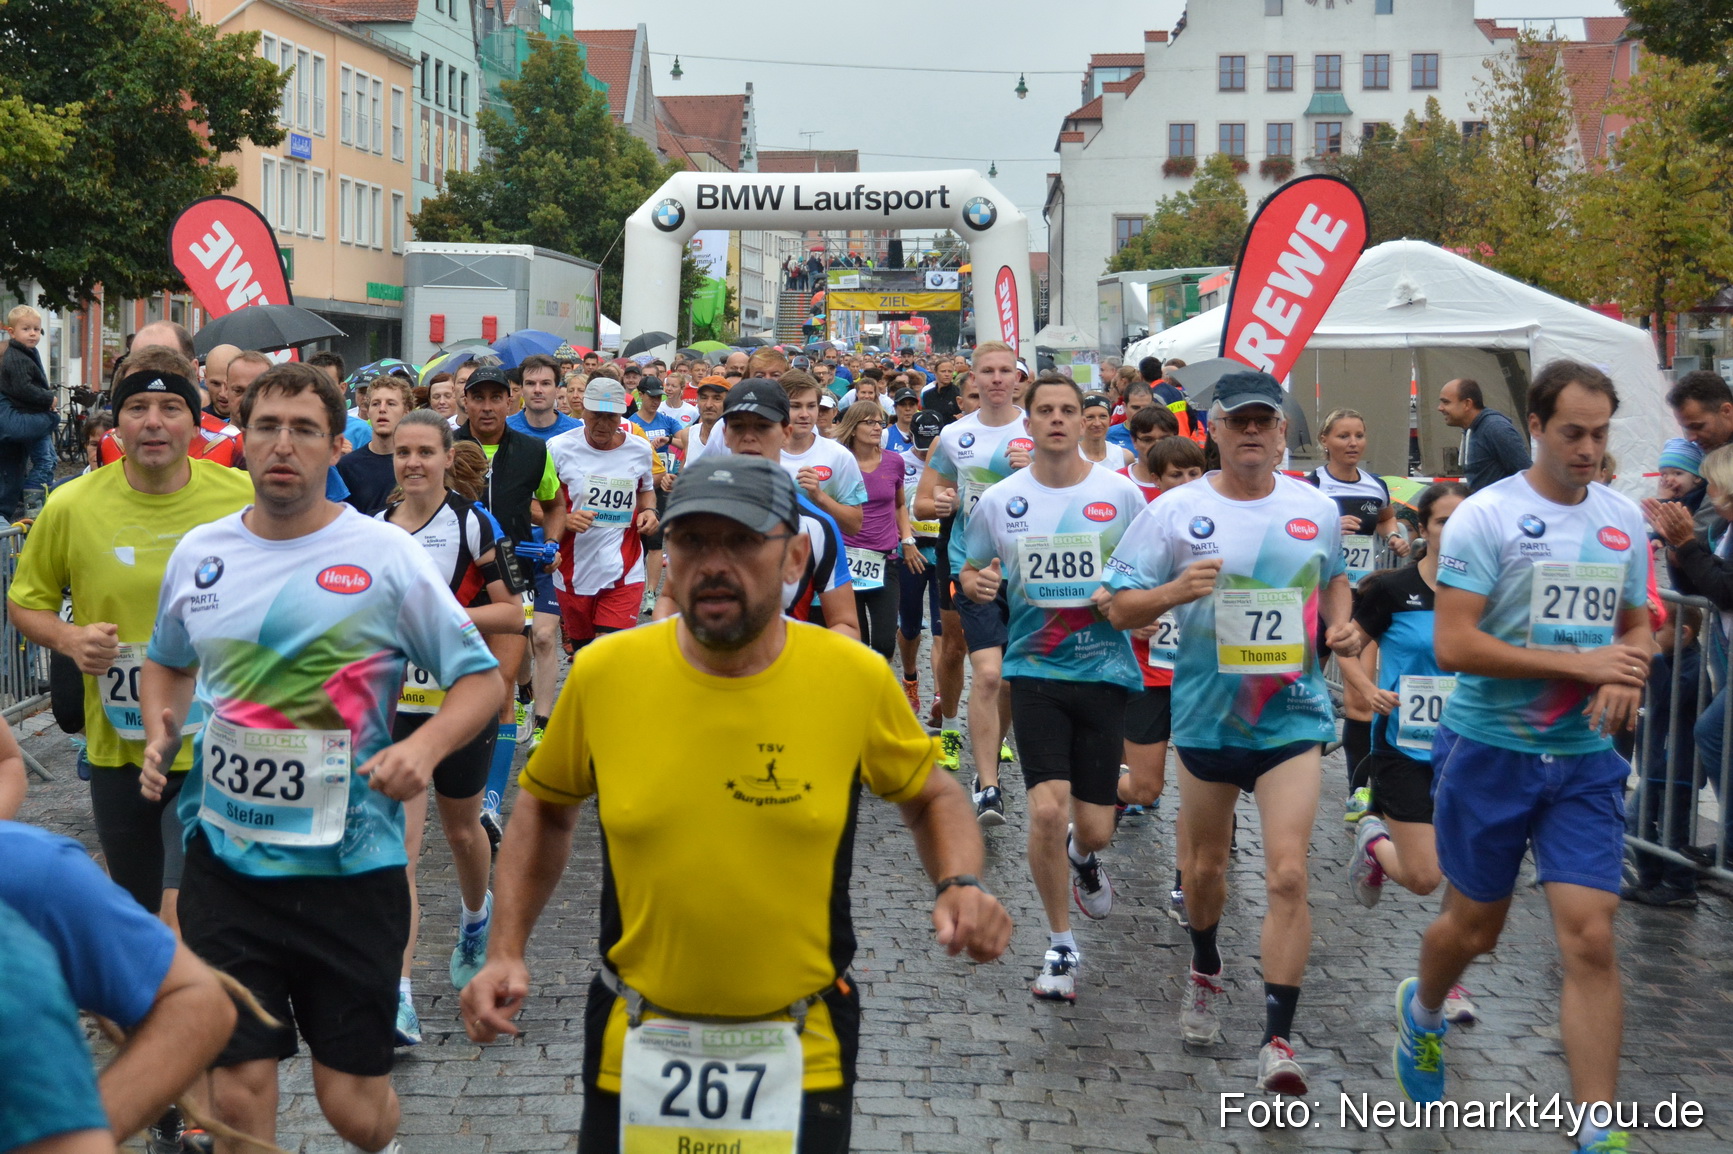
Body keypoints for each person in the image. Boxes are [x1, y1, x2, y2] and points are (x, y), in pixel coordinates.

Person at [459, 454, 1012, 1154]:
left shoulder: (851, 678)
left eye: (743, 541)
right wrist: (506, 949)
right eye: (691, 542)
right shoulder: (606, 672)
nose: (713, 563)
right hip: (634, 1031)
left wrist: (959, 883)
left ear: (794, 559)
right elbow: (544, 806)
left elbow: (931, 793)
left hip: (801, 1038)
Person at [137, 362, 503, 1154]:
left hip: (350, 873)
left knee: (354, 1111)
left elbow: (480, 680)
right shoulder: (200, 553)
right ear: (241, 442)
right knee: (237, 1091)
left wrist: (428, 746)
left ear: (338, 445)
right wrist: (162, 728)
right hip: (227, 868)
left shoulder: (384, 555)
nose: (282, 445)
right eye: (267, 427)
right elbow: (167, 659)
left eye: (304, 430)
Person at [1393, 362, 1650, 1154]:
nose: (1587, 448)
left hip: (1581, 760)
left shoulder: (1620, 521)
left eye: (1600, 434)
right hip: (1490, 751)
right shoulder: (1485, 517)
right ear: (1533, 427)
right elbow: (1455, 642)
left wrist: (1628, 673)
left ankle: (1596, 1127)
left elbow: (1638, 625)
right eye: (1572, 432)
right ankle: (1422, 1010)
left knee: (1590, 936)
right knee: (1472, 931)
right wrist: (1584, 668)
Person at [1106, 370, 1361, 1096]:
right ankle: (1206, 966)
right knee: (1206, 874)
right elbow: (1117, 606)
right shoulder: (1171, 512)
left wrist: (1340, 619)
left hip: (1292, 717)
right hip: (1207, 719)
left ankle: (1277, 1039)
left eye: (1264, 421)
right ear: (1211, 430)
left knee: (1286, 872)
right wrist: (1169, 593)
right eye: (1236, 422)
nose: (1251, 432)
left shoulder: (1313, 508)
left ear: (1282, 432)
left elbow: (1335, 577)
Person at [7, 347, 253, 927]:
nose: (154, 422)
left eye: (171, 407)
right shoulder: (72, 505)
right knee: (140, 917)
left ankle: (205, 1010)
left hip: (222, 745)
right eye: (137, 407)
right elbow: (25, 603)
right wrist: (69, 639)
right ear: (115, 421)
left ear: (196, 421)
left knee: (193, 911)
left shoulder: (241, 499)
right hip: (120, 747)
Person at [961, 378, 1144, 1003]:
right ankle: (1060, 943)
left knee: (1093, 827)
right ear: (1029, 423)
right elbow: (971, 563)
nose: (1059, 420)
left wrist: (1125, 598)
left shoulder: (1118, 493)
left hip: (1103, 671)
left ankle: (1084, 856)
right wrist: (976, 585)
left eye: (1069, 410)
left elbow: (1146, 570)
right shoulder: (1002, 498)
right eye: (1047, 411)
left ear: (1085, 421)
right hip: (1035, 670)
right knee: (1044, 807)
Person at [378, 409, 525, 1044]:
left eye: (424, 452)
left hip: (460, 699)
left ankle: (474, 916)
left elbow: (513, 611)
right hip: (397, 707)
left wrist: (442, 616)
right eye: (403, 452)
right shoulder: (375, 531)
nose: (412, 462)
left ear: (446, 458)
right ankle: (399, 996)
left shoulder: (470, 522)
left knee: (464, 833)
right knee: (401, 854)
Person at [0, 820, 239, 1147]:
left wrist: (83, 1125)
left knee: (172, 920)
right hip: (120, 783)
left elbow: (196, 1001)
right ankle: (172, 1112)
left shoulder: (27, 866)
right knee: (144, 909)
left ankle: (193, 1118)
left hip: (191, 801)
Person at [1337, 483, 1477, 963]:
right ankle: (1375, 844)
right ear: (1422, 528)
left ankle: (1448, 981)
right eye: (1443, 522)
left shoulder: (1490, 592)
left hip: (1472, 747)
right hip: (1405, 747)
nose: (1454, 532)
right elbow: (1347, 646)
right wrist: (1366, 687)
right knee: (1423, 877)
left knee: (1465, 870)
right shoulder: (1394, 590)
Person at [917, 341, 1030, 827]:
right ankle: (988, 786)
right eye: (989, 371)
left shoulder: (1040, 428)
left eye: (1007, 371)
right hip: (973, 567)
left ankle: (994, 740)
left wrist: (1039, 472)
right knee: (986, 673)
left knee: (1008, 679)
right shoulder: (954, 436)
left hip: (1030, 572)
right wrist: (939, 505)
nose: (999, 379)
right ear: (974, 380)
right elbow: (923, 501)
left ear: (1019, 379)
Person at [455, 365, 561, 833]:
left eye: (496, 397)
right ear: (467, 402)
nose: (487, 406)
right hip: (456, 578)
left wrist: (552, 544)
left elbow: (556, 503)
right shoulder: (447, 444)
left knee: (497, 689)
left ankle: (490, 802)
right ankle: (452, 781)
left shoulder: (535, 451)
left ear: (511, 401)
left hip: (514, 574)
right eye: (478, 397)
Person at [1304, 408, 1410, 818]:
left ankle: (1358, 792)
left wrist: (1396, 537)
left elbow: (1385, 522)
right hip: (1319, 598)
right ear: (1325, 440)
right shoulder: (1312, 486)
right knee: (1305, 692)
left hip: (1361, 600)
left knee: (1360, 700)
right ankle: (1300, 776)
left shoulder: (1375, 486)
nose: (1353, 443)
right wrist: (1328, 525)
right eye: (1344, 436)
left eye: (1359, 435)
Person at [1115, 435, 1206, 854]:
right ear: (1156, 479)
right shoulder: (1145, 525)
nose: (1187, 481)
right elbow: (1111, 596)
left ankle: (1191, 877)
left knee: (1206, 785)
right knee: (1145, 788)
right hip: (1149, 672)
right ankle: (1093, 784)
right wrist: (1133, 622)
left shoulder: (1221, 522)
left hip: (1205, 676)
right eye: (1176, 475)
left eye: (1194, 473)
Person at [502, 354, 581, 748]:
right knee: (518, 634)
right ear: (519, 390)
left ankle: (543, 724)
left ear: (558, 389)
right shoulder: (503, 429)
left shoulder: (577, 432)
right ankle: (524, 692)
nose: (537, 390)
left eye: (545, 383)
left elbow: (571, 499)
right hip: (507, 547)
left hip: (554, 548)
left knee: (545, 637)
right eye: (530, 383)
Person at [546, 379, 659, 648]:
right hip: (573, 572)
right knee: (584, 660)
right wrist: (565, 519)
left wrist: (651, 511)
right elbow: (534, 505)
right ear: (583, 410)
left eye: (611, 417)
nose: (603, 424)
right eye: (596, 415)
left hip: (624, 570)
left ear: (621, 416)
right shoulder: (557, 448)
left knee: (607, 652)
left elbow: (646, 490)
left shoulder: (639, 448)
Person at [835, 401, 915, 661]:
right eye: (869, 422)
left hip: (885, 560)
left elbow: (900, 504)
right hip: (846, 560)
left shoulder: (894, 462)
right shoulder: (839, 461)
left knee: (884, 643)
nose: (876, 428)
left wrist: (908, 539)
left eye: (880, 422)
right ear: (853, 426)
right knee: (855, 644)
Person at [897, 410, 946, 713]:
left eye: (933, 444)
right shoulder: (900, 461)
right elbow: (894, 503)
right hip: (910, 552)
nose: (928, 451)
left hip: (941, 550)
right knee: (911, 627)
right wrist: (905, 538)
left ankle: (941, 697)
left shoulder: (950, 461)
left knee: (943, 629)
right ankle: (910, 678)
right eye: (922, 443)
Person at [0, 305, 60, 519]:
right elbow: (22, 388)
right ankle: (33, 509)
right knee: (45, 461)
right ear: (11, 332)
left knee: (49, 460)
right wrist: (49, 399)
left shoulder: (26, 353)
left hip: (32, 414)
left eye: (36, 329)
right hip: (29, 415)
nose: (33, 333)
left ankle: (34, 503)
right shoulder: (16, 356)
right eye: (26, 329)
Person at [1436, 377, 1530, 492]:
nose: (1440, 408)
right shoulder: (1471, 429)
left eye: (1446, 402)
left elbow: (1527, 476)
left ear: (1467, 404)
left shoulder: (1496, 428)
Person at [336, 374, 410, 515]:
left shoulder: (414, 464)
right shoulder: (347, 466)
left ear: (406, 412)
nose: (382, 409)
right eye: (375, 404)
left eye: (391, 403)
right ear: (368, 411)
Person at [1080, 392, 1134, 469]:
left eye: (1103, 416)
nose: (1097, 423)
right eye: (1090, 417)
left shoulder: (1124, 457)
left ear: (1110, 419)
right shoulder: (1069, 457)